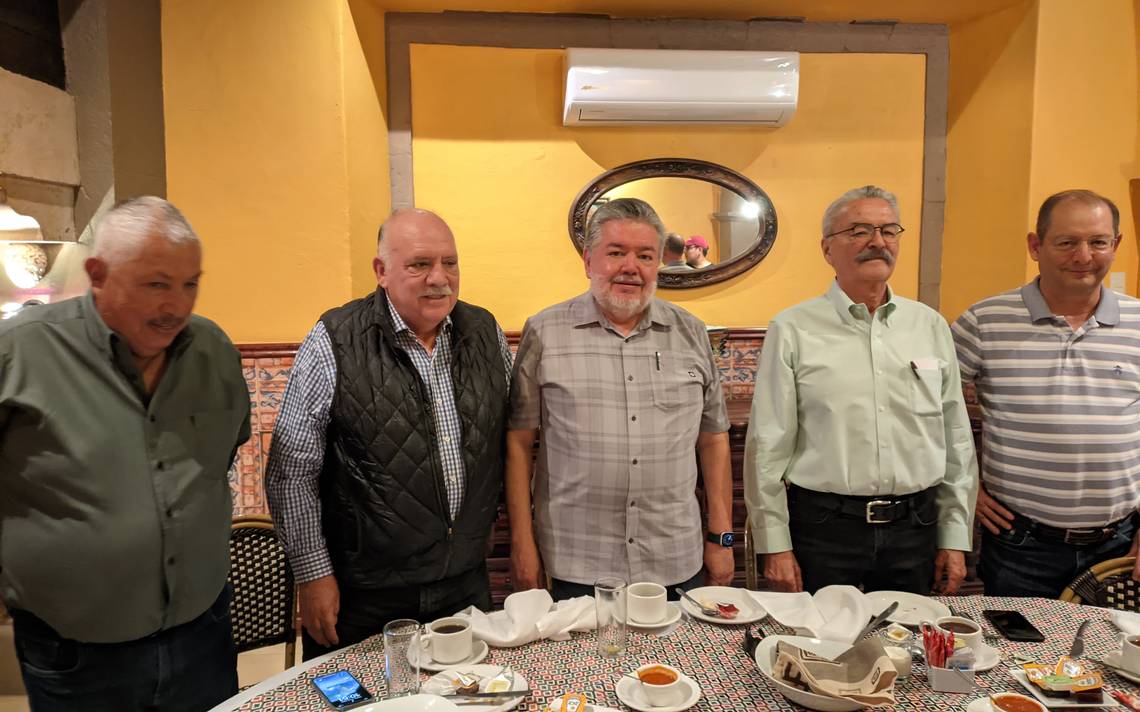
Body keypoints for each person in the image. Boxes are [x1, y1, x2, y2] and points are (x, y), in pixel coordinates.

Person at [0, 196, 251, 711]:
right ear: (98, 274)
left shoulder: (214, 351)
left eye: (190, 284)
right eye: (156, 284)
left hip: (201, 637)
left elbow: (221, 457)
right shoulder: (19, 353)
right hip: (77, 655)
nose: (176, 306)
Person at [266, 208, 512, 660]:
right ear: (381, 271)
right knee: (364, 695)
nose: (439, 278)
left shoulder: (485, 332)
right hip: (365, 593)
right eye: (420, 264)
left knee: (467, 692)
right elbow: (291, 472)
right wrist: (313, 574)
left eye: (450, 263)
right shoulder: (335, 338)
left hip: (464, 582)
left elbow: (509, 445)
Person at [745, 185, 977, 594]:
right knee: (819, 634)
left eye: (889, 231)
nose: (877, 242)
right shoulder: (793, 328)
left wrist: (955, 535)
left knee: (907, 633)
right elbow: (768, 444)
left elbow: (955, 437)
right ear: (827, 248)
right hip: (824, 531)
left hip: (916, 529)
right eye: (859, 231)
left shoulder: (929, 325)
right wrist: (775, 545)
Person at [506, 198, 735, 601]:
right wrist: (522, 542)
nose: (631, 267)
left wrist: (722, 537)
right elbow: (519, 442)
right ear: (588, 260)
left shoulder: (691, 332)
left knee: (679, 647)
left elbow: (713, 439)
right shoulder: (544, 332)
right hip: (576, 560)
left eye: (645, 256)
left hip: (675, 556)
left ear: (658, 264)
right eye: (616, 253)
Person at [952, 189, 1140, 597]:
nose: (1083, 256)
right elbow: (932, 412)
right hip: (1021, 546)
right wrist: (966, 486)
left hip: (1120, 547)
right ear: (1035, 246)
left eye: (1098, 242)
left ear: (1116, 244)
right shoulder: (984, 321)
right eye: (1067, 242)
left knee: (1111, 642)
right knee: (1015, 640)